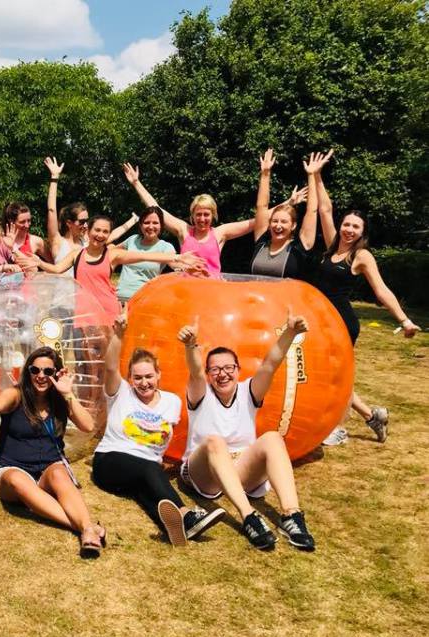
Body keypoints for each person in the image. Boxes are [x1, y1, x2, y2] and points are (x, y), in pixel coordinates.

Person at [0, 346, 106, 555]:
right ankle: (86, 528)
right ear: (28, 371)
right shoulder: (16, 394)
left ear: (56, 373)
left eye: (48, 371)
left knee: (59, 473)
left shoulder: (60, 399)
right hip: (11, 470)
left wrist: (68, 394)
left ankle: (86, 527)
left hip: (47, 469)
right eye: (35, 370)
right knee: (17, 479)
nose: (41, 376)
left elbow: (88, 425)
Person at [177, 312, 316, 551]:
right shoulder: (201, 393)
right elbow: (195, 371)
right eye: (215, 369)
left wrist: (291, 332)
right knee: (215, 441)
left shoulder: (248, 391)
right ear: (209, 375)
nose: (222, 374)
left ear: (238, 370)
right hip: (203, 471)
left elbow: (270, 364)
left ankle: (291, 515)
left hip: (239, 468)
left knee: (272, 438)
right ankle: (249, 516)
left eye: (228, 367)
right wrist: (191, 345)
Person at [313, 153, 421, 445]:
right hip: (322, 321)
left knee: (336, 377)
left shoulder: (360, 256)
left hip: (342, 323)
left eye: (355, 227)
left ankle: (338, 429)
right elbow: (325, 209)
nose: (349, 230)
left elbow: (381, 290)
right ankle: (373, 416)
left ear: (362, 233)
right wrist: (317, 175)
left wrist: (404, 320)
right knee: (325, 373)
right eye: (346, 224)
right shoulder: (332, 246)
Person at [92, 319, 224, 545]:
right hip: (109, 462)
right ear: (130, 378)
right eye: (138, 377)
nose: (144, 383)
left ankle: (174, 528)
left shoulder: (172, 402)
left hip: (143, 472)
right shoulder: (121, 393)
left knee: (146, 493)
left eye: (149, 376)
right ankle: (187, 515)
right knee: (148, 469)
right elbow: (111, 366)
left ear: (158, 374)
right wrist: (119, 335)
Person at [30, 215, 204, 326]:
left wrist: (177, 258)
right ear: (88, 231)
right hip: (83, 312)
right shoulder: (77, 254)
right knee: (83, 360)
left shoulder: (112, 255)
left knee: (107, 359)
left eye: (105, 232)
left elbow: (145, 256)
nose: (100, 235)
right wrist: (39, 262)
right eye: (97, 230)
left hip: (107, 312)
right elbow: (57, 269)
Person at [122, 162, 266, 277]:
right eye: (198, 214)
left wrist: (283, 205)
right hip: (186, 290)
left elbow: (257, 220)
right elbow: (156, 208)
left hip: (211, 290)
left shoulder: (219, 233)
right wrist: (136, 183)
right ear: (192, 216)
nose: (202, 218)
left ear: (213, 215)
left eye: (206, 214)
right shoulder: (184, 230)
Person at [249, 148, 317, 279]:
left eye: (284, 222)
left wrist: (312, 175)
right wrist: (265, 173)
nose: (278, 225)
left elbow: (312, 211)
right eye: (275, 221)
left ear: (293, 225)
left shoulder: (301, 245)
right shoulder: (262, 242)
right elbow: (262, 206)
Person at [114, 206, 177, 304]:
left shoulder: (165, 247)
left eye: (155, 223)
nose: (150, 227)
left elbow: (176, 265)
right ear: (140, 225)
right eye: (146, 222)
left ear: (161, 225)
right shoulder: (132, 240)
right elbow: (112, 252)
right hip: (117, 301)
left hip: (143, 303)